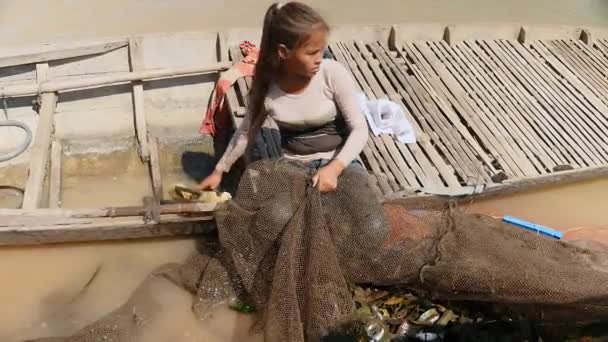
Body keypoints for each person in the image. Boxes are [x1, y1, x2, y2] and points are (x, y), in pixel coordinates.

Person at [198, 1, 368, 193]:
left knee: (369, 220)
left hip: (339, 161)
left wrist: (334, 168)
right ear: (283, 52)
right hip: (293, 168)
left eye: (321, 50)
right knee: (277, 216)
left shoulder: (332, 73)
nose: (319, 58)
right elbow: (245, 133)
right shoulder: (266, 89)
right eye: (312, 53)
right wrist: (219, 171)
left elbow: (359, 128)